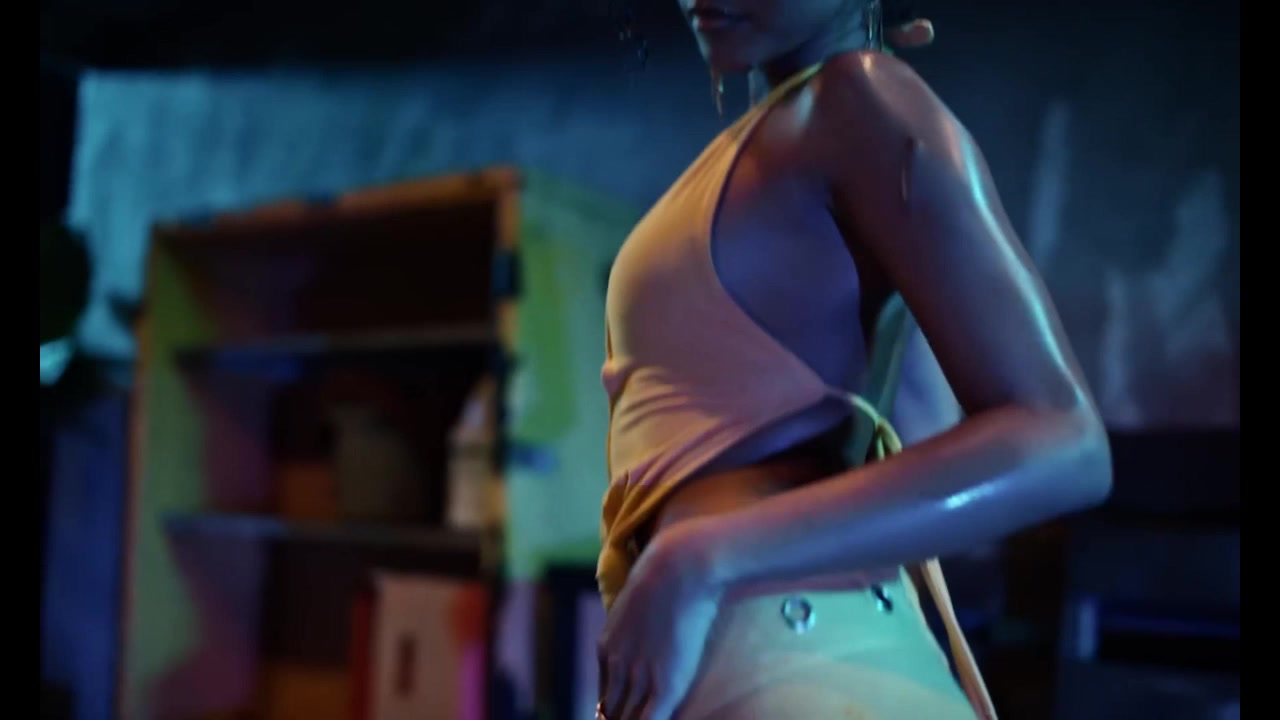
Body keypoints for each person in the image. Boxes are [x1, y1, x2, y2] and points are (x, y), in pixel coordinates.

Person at [594, 1, 1113, 718]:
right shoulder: (803, 123)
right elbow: (906, 418)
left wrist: (699, 559)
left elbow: (1065, 441)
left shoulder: (858, 99)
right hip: (776, 656)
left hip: (798, 661)